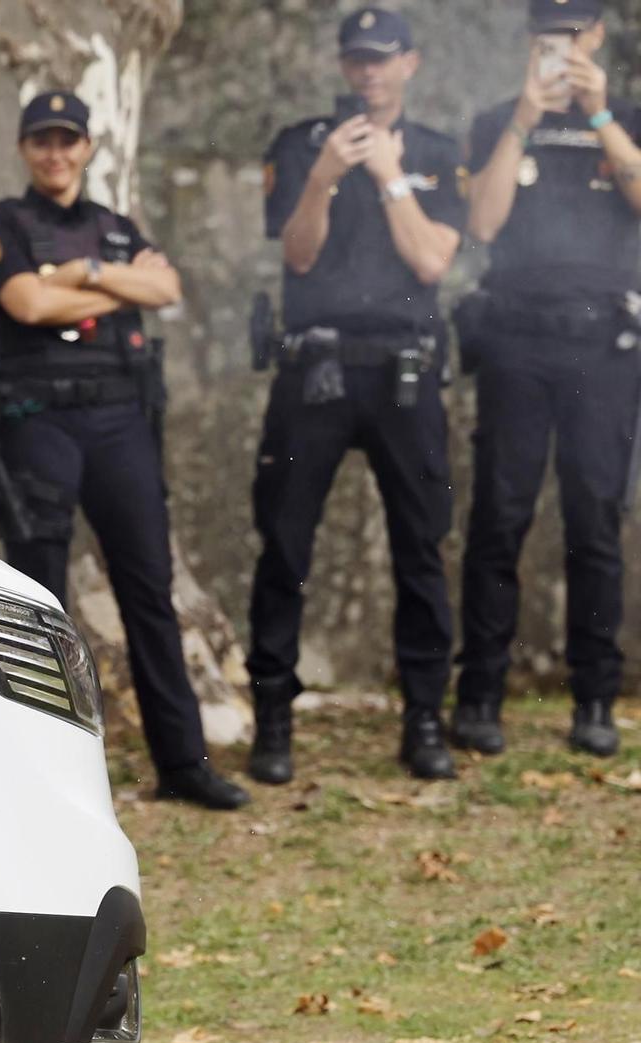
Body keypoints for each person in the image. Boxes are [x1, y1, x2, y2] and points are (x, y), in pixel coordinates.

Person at [0, 91, 249, 811]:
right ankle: (40, 774)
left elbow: (166, 287)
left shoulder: (115, 227)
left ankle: (183, 763)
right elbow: (27, 305)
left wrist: (80, 276)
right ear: (25, 150)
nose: (56, 153)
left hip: (121, 423)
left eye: (68, 140)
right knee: (38, 599)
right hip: (40, 422)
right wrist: (118, 287)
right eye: (42, 141)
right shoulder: (4, 222)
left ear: (88, 148)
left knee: (148, 591)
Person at [246, 7, 466, 784]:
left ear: (410, 63)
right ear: (344, 67)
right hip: (318, 373)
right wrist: (326, 177)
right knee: (285, 544)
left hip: (405, 376)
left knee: (421, 549)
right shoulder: (302, 145)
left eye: (383, 59)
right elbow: (298, 257)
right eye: (358, 60)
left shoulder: (438, 153)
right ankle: (273, 720)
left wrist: (388, 175)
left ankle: (426, 722)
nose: (369, 72)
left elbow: (432, 258)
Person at [452, 0, 636, 758]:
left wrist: (599, 118)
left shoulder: (624, 116)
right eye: (547, 35)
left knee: (595, 520)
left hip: (603, 346)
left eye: (573, 33)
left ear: (596, 37)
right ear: (531, 42)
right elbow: (484, 225)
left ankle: (594, 699)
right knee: (500, 515)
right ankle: (481, 694)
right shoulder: (499, 118)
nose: (560, 46)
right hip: (516, 340)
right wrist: (524, 120)